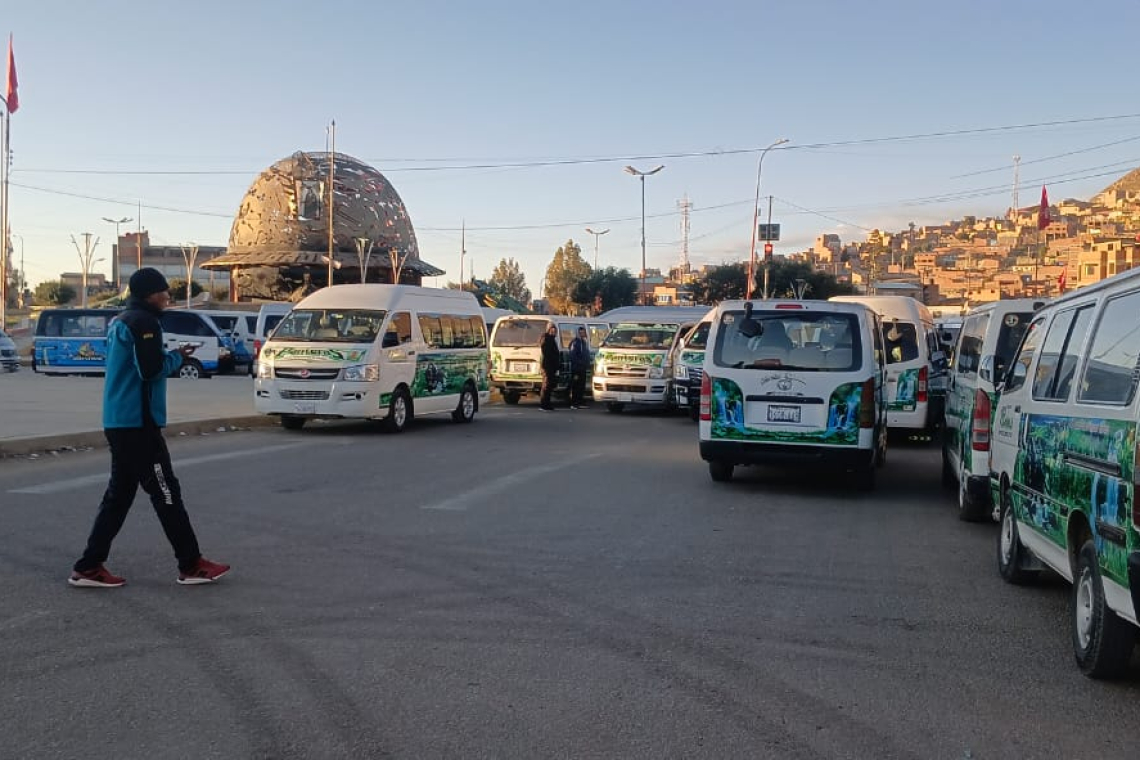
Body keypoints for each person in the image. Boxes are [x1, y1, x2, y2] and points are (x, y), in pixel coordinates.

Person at [69, 268, 231, 588]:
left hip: (119, 420)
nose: (168, 297)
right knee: (166, 492)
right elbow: (150, 370)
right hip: (138, 425)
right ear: (148, 294)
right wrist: (174, 359)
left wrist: (171, 355)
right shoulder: (145, 323)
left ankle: (88, 566)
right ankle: (191, 564)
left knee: (119, 496)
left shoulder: (122, 320)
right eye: (163, 292)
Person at [539, 324, 561, 411]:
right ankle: (544, 404)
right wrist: (553, 360)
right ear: (548, 330)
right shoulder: (546, 338)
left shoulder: (552, 339)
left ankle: (547, 403)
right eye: (552, 331)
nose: (553, 333)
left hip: (551, 366)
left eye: (555, 331)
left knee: (550, 385)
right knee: (546, 385)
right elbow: (547, 353)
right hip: (547, 366)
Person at [568, 326, 591, 409]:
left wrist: (586, 363)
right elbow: (572, 355)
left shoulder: (583, 342)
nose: (582, 334)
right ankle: (574, 403)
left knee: (581, 385)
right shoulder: (575, 343)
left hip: (583, 368)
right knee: (576, 386)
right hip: (576, 369)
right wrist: (579, 363)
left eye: (583, 332)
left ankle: (580, 402)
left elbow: (585, 354)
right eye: (581, 332)